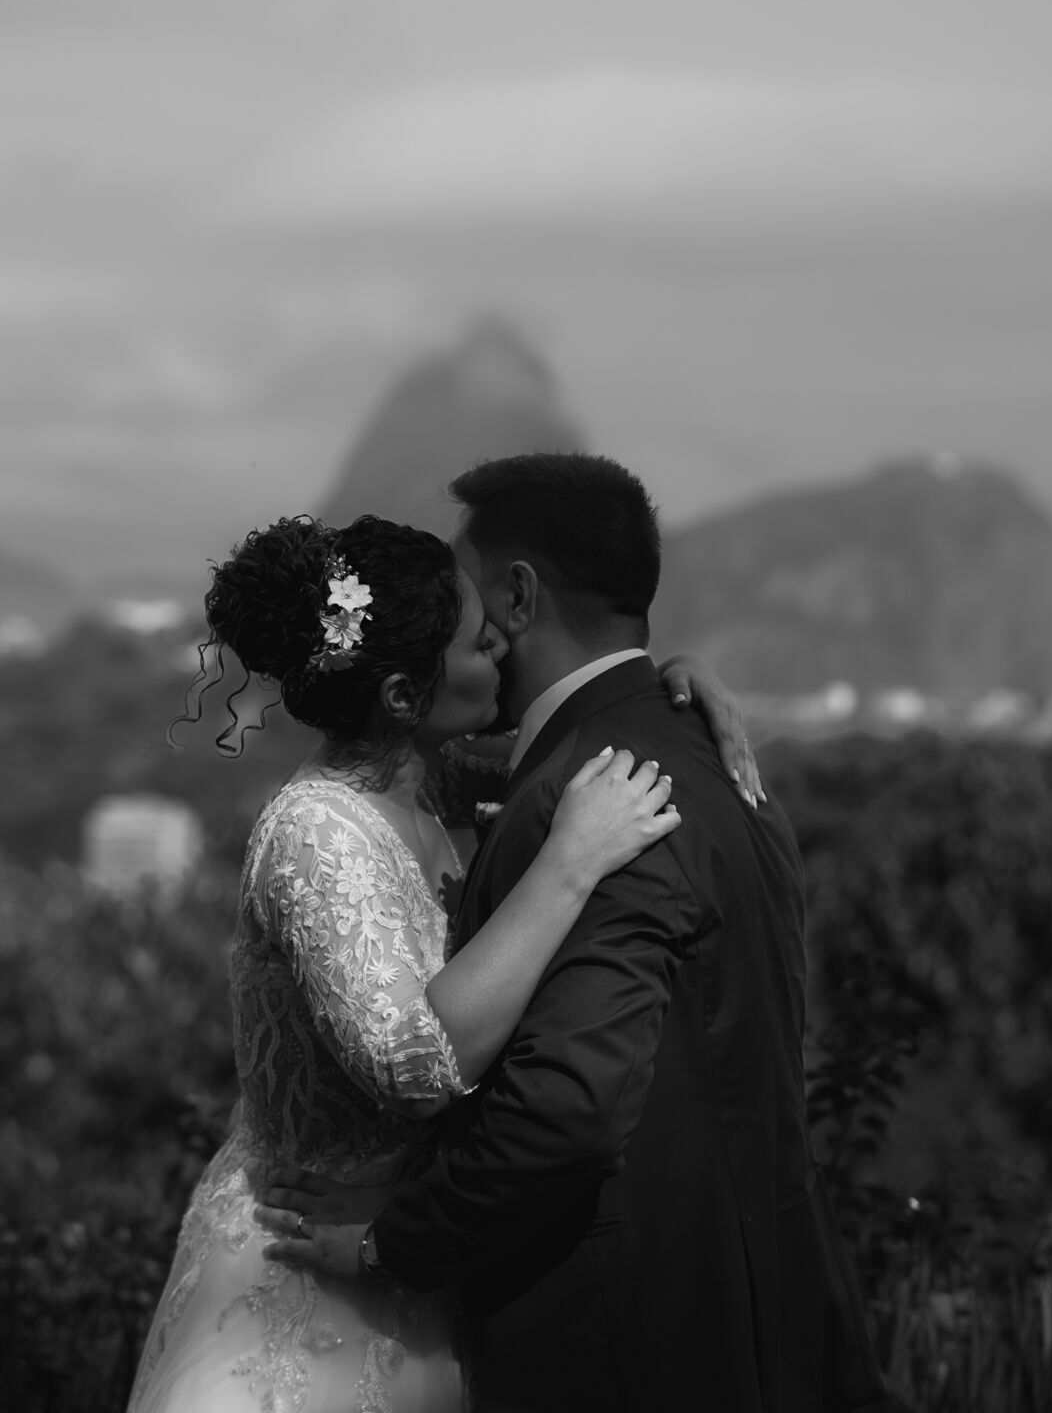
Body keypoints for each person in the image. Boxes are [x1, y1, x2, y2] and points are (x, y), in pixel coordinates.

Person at [261, 455, 888, 1413]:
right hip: (767, 1307)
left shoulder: (600, 799)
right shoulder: (708, 758)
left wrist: (393, 1242)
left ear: (515, 597)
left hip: (632, 1339)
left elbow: (567, 1110)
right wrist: (671, 677)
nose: (450, 630)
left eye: (465, 602)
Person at [127, 511, 748, 1413]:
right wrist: (570, 863)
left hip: (416, 1259)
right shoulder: (314, 832)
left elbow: (572, 725)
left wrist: (666, 683)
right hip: (303, 1268)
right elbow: (414, 1062)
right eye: (474, 639)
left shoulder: (436, 780)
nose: (500, 641)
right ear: (402, 698)